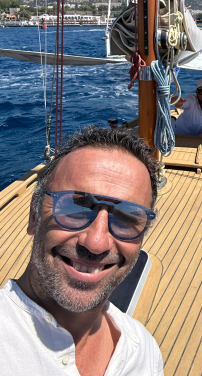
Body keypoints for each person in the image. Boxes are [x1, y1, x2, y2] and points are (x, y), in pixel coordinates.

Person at [0, 126, 164, 376]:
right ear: (34, 214)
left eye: (126, 217)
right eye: (75, 207)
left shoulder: (145, 354)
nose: (96, 243)